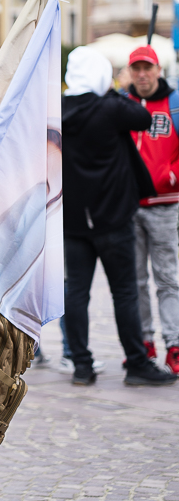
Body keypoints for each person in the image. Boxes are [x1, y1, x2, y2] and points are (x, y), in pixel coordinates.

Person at [61, 46, 176, 387]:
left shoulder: (58, 110)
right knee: (125, 291)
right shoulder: (110, 107)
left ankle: (82, 365)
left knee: (77, 291)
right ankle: (137, 363)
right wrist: (112, 90)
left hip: (74, 220)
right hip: (113, 217)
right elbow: (142, 117)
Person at [125, 45, 179, 373]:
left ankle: (174, 344)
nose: (142, 75)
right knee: (135, 281)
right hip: (130, 207)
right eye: (137, 69)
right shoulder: (122, 105)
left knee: (168, 279)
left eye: (148, 68)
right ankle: (144, 342)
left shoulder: (174, 105)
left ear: (158, 70)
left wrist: (172, 174)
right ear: (130, 72)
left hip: (165, 205)